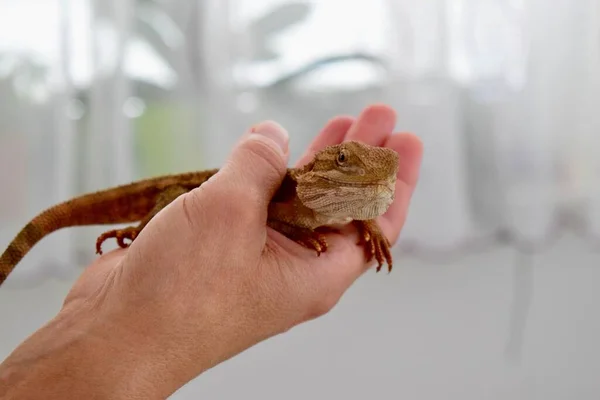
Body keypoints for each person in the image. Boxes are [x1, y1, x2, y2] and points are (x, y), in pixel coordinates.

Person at [0, 104, 423, 399]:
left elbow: (358, 204)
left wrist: (370, 226)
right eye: (346, 162)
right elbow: (260, 218)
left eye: (378, 181)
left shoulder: (346, 206)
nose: (369, 184)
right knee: (154, 200)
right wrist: (143, 230)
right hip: (175, 195)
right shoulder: (289, 193)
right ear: (320, 167)